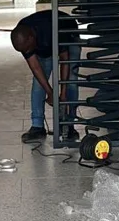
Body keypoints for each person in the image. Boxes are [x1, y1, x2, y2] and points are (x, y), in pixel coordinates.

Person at [10, 9, 80, 144]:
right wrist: (50, 93)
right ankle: (37, 127)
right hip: (44, 44)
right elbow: (35, 67)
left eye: (28, 48)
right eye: (24, 51)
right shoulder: (22, 36)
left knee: (71, 81)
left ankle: (68, 125)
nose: (27, 52)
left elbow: (65, 60)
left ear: (31, 38)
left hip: (68, 34)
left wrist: (62, 94)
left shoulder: (52, 28)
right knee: (38, 84)